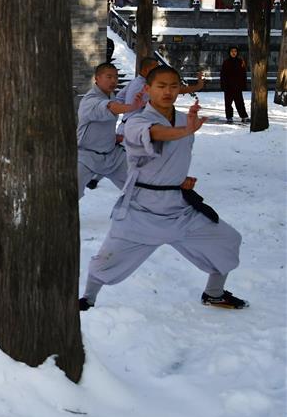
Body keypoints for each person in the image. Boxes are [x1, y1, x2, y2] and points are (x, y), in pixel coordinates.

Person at [79, 65, 247, 311]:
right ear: (148, 89)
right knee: (106, 260)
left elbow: (172, 156)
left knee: (228, 240)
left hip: (179, 209)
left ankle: (214, 293)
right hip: (141, 211)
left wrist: (179, 178)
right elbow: (156, 134)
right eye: (161, 86)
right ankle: (88, 299)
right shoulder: (137, 121)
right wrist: (185, 130)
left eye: (173, 86)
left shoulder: (183, 119)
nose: (168, 91)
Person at [77, 62, 145, 198]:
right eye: (109, 77)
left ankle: (145, 213)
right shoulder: (89, 100)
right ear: (97, 78)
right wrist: (132, 107)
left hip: (111, 156)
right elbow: (109, 107)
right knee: (71, 195)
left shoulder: (110, 95)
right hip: (86, 157)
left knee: (138, 187)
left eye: (116, 77)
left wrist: (114, 137)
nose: (114, 80)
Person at [115, 56, 205, 134]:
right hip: (134, 130)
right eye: (155, 69)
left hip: (130, 127)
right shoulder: (141, 86)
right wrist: (197, 87)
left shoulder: (134, 82)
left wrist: (130, 108)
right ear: (146, 70)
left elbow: (119, 97)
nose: (168, 92)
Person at [220, 46, 249, 124]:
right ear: (229, 52)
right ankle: (229, 117)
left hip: (237, 86)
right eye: (232, 51)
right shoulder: (226, 62)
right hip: (228, 87)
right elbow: (222, 75)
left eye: (235, 51)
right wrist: (223, 85)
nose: (233, 53)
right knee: (228, 103)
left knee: (240, 102)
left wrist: (243, 85)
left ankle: (243, 116)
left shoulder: (240, 62)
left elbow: (243, 74)